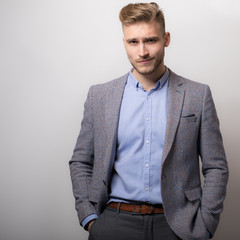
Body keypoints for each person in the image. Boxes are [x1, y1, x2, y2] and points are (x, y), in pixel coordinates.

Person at [69, 2, 229, 240]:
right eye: (133, 42)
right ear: (124, 43)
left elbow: (216, 166)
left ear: (166, 39)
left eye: (151, 40)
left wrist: (205, 224)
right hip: (113, 222)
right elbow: (81, 161)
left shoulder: (197, 95)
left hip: (178, 225)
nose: (142, 51)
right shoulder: (100, 96)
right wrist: (90, 218)